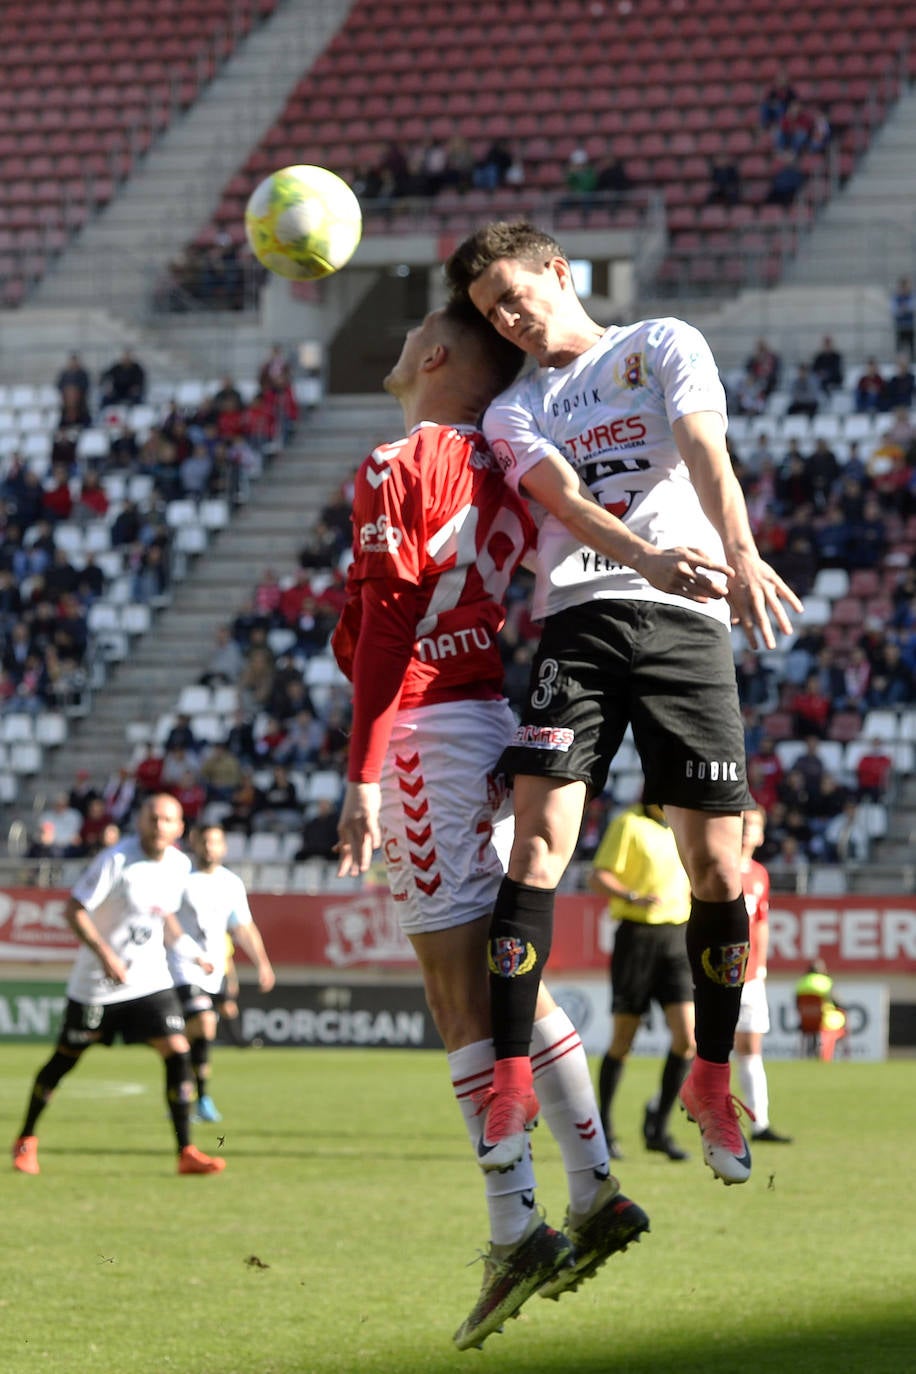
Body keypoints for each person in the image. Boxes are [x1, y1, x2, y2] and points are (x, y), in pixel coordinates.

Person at [444, 220, 802, 1188]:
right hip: (582, 622)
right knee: (533, 848)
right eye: (491, 312)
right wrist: (642, 553)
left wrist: (738, 550)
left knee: (718, 866)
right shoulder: (514, 409)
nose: (511, 318)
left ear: (559, 272)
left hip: (684, 627)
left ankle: (711, 1082)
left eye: (517, 294)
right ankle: (510, 1081)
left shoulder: (658, 343)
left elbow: (701, 446)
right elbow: (559, 499)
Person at [332, 300, 649, 1352]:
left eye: (409, 330)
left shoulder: (400, 460)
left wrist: (361, 772)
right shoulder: (510, 459)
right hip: (489, 719)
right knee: (512, 979)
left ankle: (517, 1226)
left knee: (455, 988)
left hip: (424, 732)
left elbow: (385, 627)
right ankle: (595, 1187)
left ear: (431, 357)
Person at [12, 794, 225, 1177]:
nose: (159, 825)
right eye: (152, 817)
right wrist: (106, 955)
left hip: (149, 981)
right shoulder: (116, 860)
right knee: (65, 1059)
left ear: (179, 829)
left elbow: (167, 919)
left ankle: (187, 1151)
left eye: (167, 820)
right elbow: (74, 909)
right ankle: (26, 1139)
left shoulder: (178, 865)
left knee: (178, 1050)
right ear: (140, 821)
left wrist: (192, 953)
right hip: (97, 985)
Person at [591, 802, 695, 1163]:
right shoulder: (628, 823)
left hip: (677, 939)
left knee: (687, 1038)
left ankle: (659, 1127)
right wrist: (631, 896)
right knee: (623, 1039)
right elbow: (599, 875)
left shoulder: (682, 824)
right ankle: (603, 1127)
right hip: (637, 937)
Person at [169, 824, 275, 1122]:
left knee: (198, 1036)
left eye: (215, 842)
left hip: (214, 971)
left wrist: (262, 963)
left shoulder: (231, 883)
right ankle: (200, 1100)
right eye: (204, 841)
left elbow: (242, 926)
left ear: (224, 847)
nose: (209, 848)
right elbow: (164, 920)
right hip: (182, 968)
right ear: (194, 843)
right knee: (203, 1023)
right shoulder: (180, 879)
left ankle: (184, 1091)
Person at [733, 808, 792, 1144]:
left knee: (751, 1048)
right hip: (719, 974)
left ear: (761, 836)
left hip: (751, 976)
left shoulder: (759, 874)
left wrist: (763, 966)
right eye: (741, 823)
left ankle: (760, 1122)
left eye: (752, 825)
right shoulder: (718, 866)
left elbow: (762, 923)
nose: (745, 830)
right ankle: (663, 1110)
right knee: (698, 1047)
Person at [891, 276, 914, 360]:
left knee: (911, 345)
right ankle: (899, 362)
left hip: (909, 326)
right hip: (900, 326)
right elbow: (894, 310)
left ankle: (912, 361)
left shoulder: (911, 296)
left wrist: (903, 309)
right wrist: (905, 309)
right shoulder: (896, 297)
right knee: (899, 347)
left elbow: (912, 307)